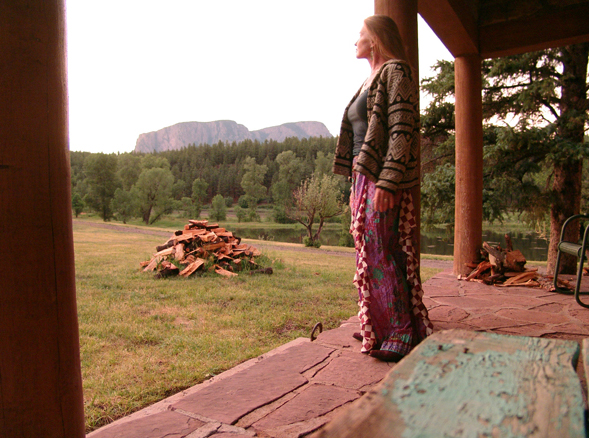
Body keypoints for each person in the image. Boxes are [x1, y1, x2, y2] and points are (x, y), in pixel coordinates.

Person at [333, 15, 433, 362]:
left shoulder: (397, 71)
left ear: (375, 39)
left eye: (360, 35)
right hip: (364, 175)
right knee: (366, 249)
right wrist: (354, 184)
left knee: (381, 249)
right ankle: (380, 322)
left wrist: (389, 180)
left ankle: (401, 330)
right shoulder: (368, 79)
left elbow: (402, 128)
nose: (355, 41)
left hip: (381, 175)